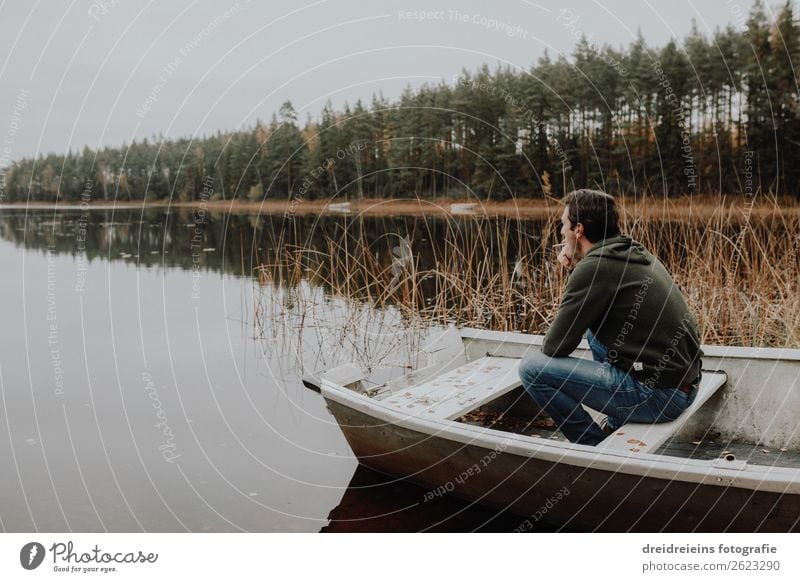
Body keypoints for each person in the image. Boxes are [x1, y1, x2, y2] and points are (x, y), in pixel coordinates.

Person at [519, 189, 703, 446]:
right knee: (596, 331)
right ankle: (616, 420)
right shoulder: (631, 252)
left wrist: (576, 274)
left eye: (563, 225)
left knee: (531, 369)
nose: (561, 232)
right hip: (684, 386)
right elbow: (598, 292)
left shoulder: (593, 268)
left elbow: (555, 346)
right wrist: (576, 271)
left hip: (658, 397)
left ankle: (592, 444)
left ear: (579, 230)